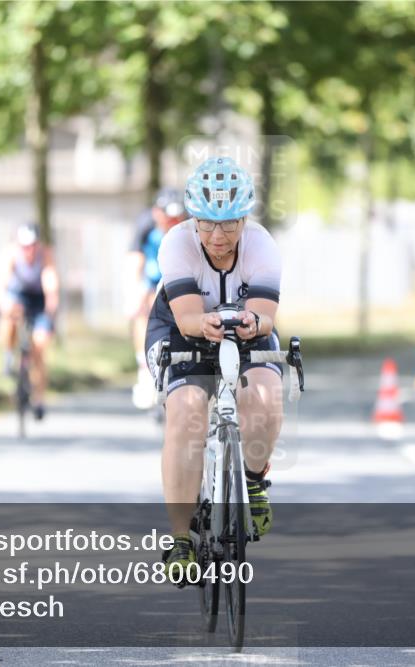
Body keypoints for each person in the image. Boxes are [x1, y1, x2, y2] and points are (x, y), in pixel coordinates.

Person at [144, 157, 284, 584]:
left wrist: (253, 324)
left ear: (245, 220)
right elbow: (187, 316)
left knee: (263, 397)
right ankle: (181, 538)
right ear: (193, 219)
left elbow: (265, 315)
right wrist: (202, 325)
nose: (218, 236)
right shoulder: (175, 243)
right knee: (186, 412)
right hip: (182, 330)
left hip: (245, 330)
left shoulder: (262, 245)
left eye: (228, 225)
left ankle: (254, 481)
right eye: (206, 224)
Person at [127, 188, 187, 409]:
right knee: (143, 308)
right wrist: (136, 291)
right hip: (152, 276)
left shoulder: (189, 226)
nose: (172, 222)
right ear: (156, 213)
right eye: (167, 217)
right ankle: (144, 368)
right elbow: (135, 260)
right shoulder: (145, 226)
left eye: (176, 217)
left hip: (178, 276)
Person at [0, 225, 59, 420]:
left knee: (39, 349)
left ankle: (38, 399)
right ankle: (8, 353)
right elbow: (1, 284)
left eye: (32, 246)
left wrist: (50, 311)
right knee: (9, 316)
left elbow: (51, 285)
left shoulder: (45, 255)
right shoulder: (11, 255)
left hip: (39, 301)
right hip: (18, 297)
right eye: (24, 246)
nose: (28, 251)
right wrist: (4, 303)